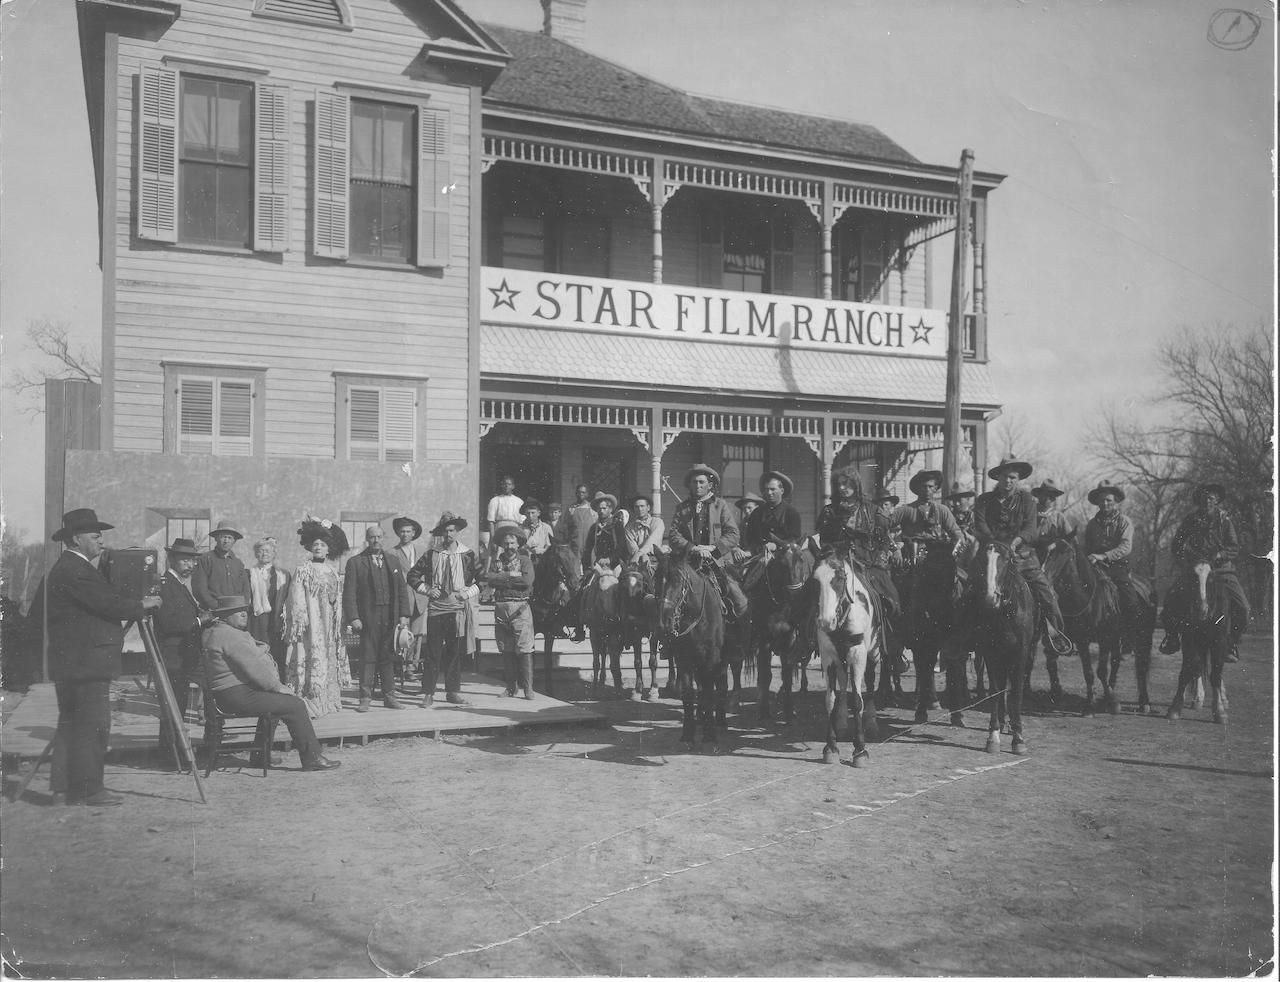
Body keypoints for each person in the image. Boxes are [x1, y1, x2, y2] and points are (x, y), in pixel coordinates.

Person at [45, 509, 162, 805]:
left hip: (75, 661)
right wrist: (143, 603)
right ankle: (89, 790)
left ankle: (63, 789)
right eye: (96, 537)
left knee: (71, 724)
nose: (101, 543)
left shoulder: (72, 567)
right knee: (94, 726)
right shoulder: (75, 569)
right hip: (86, 663)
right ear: (76, 539)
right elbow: (107, 604)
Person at [201, 595, 340, 771]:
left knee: (275, 704)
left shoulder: (214, 632)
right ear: (225, 616)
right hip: (236, 695)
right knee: (294, 705)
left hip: (222, 696)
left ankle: (260, 756)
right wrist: (278, 687)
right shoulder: (231, 636)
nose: (244, 615)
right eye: (237, 612)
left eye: (245, 611)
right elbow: (255, 669)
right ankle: (312, 758)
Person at [970, 457, 1075, 654]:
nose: (1008, 481)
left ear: (1017, 479)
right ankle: (962, 637)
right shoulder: (984, 501)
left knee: (1047, 594)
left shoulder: (1027, 500)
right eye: (1004, 477)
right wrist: (997, 545)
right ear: (997, 478)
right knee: (968, 591)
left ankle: (1056, 635)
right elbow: (981, 526)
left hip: (1022, 557)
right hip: (992, 556)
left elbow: (1030, 530)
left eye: (1012, 477)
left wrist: (1015, 542)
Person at [1159, 482, 1250, 662]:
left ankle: (1231, 642)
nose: (1207, 501)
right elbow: (1176, 544)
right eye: (1204, 497)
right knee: (1170, 598)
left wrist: (1220, 555)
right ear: (1199, 500)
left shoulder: (1225, 521)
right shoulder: (1190, 520)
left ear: (1216, 501)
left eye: (1211, 498)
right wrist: (1186, 560)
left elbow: (1233, 546)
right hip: (1196, 569)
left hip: (1221, 571)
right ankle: (1171, 637)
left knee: (1244, 608)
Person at [408, 512, 482, 707]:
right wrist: (426, 589)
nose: (448, 534)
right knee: (433, 652)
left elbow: (483, 579)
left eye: (451, 530)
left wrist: (466, 594)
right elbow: (413, 576)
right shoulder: (432, 554)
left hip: (457, 609)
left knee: (454, 652)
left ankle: (452, 691)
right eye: (444, 531)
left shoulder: (467, 555)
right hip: (436, 609)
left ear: (457, 532)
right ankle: (428, 693)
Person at [284, 518, 351, 717]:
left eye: (322, 545)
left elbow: (337, 597)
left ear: (329, 549)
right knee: (312, 656)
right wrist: (300, 620)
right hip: (311, 623)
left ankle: (328, 702)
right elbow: (295, 597)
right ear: (310, 548)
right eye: (315, 545)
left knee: (329, 656)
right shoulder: (303, 570)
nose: (319, 548)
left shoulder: (332, 571)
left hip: (329, 623)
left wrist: (339, 617)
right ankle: (309, 703)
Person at [343, 525, 413, 711]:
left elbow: (401, 591)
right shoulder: (356, 562)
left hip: (390, 616)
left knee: (387, 657)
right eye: (372, 537)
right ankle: (365, 698)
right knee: (368, 657)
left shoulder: (393, 561)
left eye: (379, 537)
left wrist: (404, 615)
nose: (376, 540)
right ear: (367, 539)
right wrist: (354, 617)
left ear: (384, 538)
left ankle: (390, 697)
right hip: (368, 617)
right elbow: (349, 594)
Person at [153, 537, 211, 766]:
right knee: (173, 707)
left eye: (193, 561)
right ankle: (170, 758)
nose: (190, 565)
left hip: (181, 655)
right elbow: (169, 623)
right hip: (171, 656)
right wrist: (199, 620)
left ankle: (174, 754)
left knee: (177, 705)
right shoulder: (165, 584)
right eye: (185, 561)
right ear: (173, 560)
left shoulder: (178, 584)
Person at [665, 464, 749, 619]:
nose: (698, 485)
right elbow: (674, 536)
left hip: (716, 561)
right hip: (688, 561)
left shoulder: (721, 506)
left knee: (739, 600)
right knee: (669, 597)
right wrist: (694, 548)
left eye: (701, 482)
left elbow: (733, 534)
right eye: (695, 482)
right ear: (690, 485)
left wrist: (712, 549)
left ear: (710, 485)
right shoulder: (682, 508)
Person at [1079, 481, 1141, 656]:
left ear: (1116, 502)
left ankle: (1129, 639)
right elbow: (1087, 547)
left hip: (1116, 566)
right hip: (1095, 566)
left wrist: (1104, 555)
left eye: (1108, 500)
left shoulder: (1124, 522)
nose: (1105, 504)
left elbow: (1125, 547)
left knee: (1131, 599)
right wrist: (1090, 558)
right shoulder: (1092, 524)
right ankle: (1079, 635)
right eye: (1101, 501)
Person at [485, 522, 536, 699]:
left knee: (524, 649)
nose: (509, 547)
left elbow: (526, 582)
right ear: (501, 545)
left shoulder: (525, 561)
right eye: (506, 543)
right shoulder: (497, 562)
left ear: (518, 544)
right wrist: (510, 575)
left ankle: (528, 688)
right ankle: (510, 687)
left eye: (512, 543)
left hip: (520, 607)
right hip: (500, 609)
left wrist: (501, 579)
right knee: (506, 649)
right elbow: (489, 579)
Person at [247, 537, 291, 682]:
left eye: (268, 551)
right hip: (257, 619)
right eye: (261, 551)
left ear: (274, 553)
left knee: (277, 652)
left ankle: (278, 683)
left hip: (277, 619)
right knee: (259, 652)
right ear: (256, 554)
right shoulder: (249, 573)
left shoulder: (283, 575)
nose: (264, 553)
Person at [390, 517, 428, 676]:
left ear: (413, 533)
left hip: (420, 597)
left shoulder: (422, 551)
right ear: (398, 533)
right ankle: (401, 666)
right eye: (402, 531)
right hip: (403, 597)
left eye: (408, 531)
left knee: (418, 633)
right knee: (402, 633)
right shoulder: (392, 552)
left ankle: (412, 666)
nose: (405, 534)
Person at [739, 472, 802, 560]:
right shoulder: (757, 513)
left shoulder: (791, 513)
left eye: (773, 489)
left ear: (782, 491)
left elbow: (795, 540)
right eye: (766, 489)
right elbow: (750, 539)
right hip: (759, 557)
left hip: (785, 559)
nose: (769, 492)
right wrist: (759, 548)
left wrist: (776, 546)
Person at [815, 465, 874, 556]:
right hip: (837, 559)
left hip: (866, 560)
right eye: (838, 485)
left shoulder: (869, 509)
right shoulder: (829, 511)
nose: (841, 488)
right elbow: (824, 541)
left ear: (855, 483)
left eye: (845, 483)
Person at [191, 522, 251, 611]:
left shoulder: (238, 563)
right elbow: (200, 589)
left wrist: (242, 605)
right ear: (216, 538)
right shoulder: (205, 559)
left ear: (234, 541)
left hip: (235, 611)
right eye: (223, 537)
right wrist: (214, 606)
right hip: (213, 611)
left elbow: (246, 588)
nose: (226, 541)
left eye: (229, 538)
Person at [1031, 480, 1073, 565]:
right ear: (1039, 496)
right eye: (1045, 495)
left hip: (1053, 559)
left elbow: (1070, 538)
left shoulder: (1058, 517)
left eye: (1051, 496)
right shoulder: (1030, 514)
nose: (1048, 499)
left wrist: (1056, 544)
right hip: (1031, 556)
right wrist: (1037, 521)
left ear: (1054, 498)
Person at [481, 474, 524, 553]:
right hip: (499, 531)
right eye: (504, 484)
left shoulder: (519, 501)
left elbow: (521, 523)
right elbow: (491, 522)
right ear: (501, 485)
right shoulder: (495, 500)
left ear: (513, 486)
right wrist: (493, 540)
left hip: (514, 530)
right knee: (498, 555)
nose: (506, 486)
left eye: (509, 484)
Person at [624, 494, 666, 565]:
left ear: (648, 507)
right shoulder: (629, 527)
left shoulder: (657, 522)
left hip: (656, 558)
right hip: (636, 559)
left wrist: (641, 553)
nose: (640, 509)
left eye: (642, 506)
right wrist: (641, 555)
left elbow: (653, 541)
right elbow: (632, 547)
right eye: (637, 507)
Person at [564, 484, 595, 562]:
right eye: (579, 492)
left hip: (589, 543)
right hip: (575, 544)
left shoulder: (592, 508)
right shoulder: (571, 508)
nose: (581, 494)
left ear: (587, 494)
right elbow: (566, 526)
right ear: (576, 493)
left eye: (583, 492)